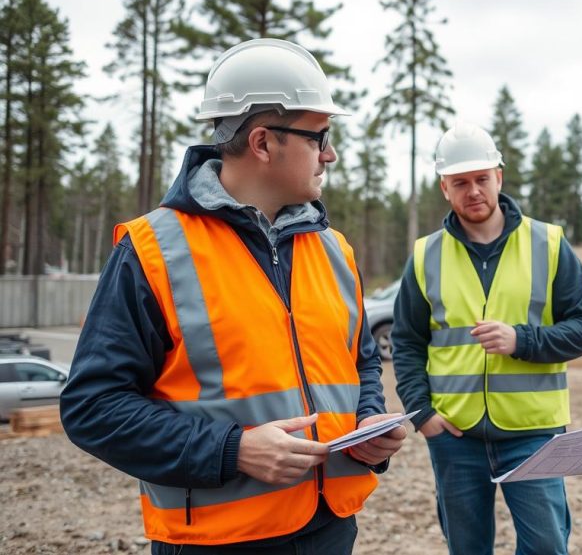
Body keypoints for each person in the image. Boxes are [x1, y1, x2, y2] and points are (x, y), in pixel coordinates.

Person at [60, 38, 406, 555]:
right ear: (264, 143)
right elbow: (93, 407)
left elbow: (359, 365)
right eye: (320, 136)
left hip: (330, 527)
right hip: (218, 540)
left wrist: (369, 424)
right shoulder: (154, 250)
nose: (330, 153)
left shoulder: (335, 251)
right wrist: (232, 449)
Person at [391, 122, 582, 555]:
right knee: (466, 548)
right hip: (454, 435)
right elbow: (407, 342)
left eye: (482, 179)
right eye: (461, 182)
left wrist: (521, 340)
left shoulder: (548, 243)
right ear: (444, 188)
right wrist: (421, 414)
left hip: (534, 432)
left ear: (499, 177)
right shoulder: (424, 255)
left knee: (547, 547)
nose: (473, 191)